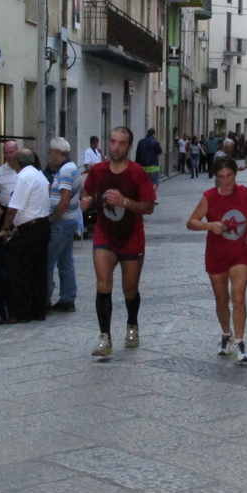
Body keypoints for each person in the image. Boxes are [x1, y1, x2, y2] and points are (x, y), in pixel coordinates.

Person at [80, 127, 156, 357]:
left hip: (132, 236)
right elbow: (87, 191)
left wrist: (125, 202)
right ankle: (105, 338)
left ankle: (132, 324)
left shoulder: (137, 173)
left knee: (129, 289)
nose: (115, 147)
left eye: (121, 143)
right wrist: (85, 201)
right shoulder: (98, 170)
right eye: (112, 141)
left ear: (129, 147)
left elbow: (149, 207)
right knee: (103, 284)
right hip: (105, 233)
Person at [186, 157, 247, 362]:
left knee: (238, 297)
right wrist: (209, 225)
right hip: (216, 253)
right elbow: (191, 222)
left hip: (241, 252)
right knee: (221, 299)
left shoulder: (246, 193)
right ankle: (225, 334)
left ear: (235, 174)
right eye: (221, 177)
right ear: (216, 177)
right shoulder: (209, 197)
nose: (226, 181)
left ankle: (240, 343)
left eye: (229, 176)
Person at [0, 149, 51, 323]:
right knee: (38, 270)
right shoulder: (39, 175)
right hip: (42, 225)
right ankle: (38, 309)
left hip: (30, 229)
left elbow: (14, 207)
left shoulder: (23, 177)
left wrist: (5, 228)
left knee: (20, 270)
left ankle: (21, 311)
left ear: (16, 162)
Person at [44, 138, 82, 313]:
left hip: (62, 221)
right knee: (66, 261)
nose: (49, 156)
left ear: (56, 152)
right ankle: (68, 298)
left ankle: (44, 298)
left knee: (48, 260)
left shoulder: (65, 171)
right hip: (70, 219)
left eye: (50, 152)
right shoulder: (72, 167)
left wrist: (53, 219)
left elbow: (64, 200)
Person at [135, 128, 163, 193]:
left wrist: (137, 165)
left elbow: (138, 154)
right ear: (153, 134)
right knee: (155, 182)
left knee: (144, 182)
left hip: (143, 166)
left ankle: (145, 196)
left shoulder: (141, 142)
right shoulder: (154, 142)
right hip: (153, 166)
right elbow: (159, 151)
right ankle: (151, 196)